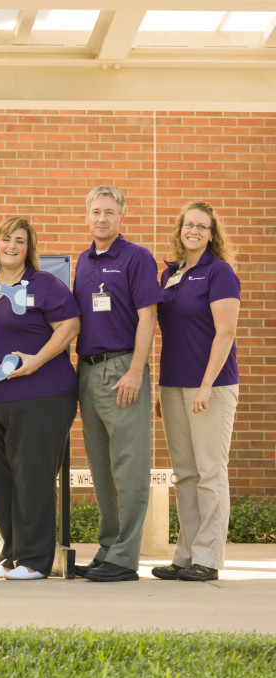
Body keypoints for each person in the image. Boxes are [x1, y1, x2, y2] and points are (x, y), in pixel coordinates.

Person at [0, 217, 80, 580]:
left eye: (20, 241)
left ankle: (34, 559)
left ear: (30, 248)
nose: (11, 246)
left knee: (33, 476)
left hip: (40, 396)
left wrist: (36, 361)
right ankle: (10, 553)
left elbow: (71, 326)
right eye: (6, 239)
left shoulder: (46, 285)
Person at [73, 186, 164, 582]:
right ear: (87, 216)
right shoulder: (82, 260)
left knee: (129, 466)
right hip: (87, 370)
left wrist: (136, 371)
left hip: (123, 368)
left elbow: (148, 318)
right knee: (102, 466)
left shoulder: (137, 258)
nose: (102, 219)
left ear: (121, 217)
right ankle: (109, 546)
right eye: (96, 211)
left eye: (109, 212)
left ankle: (126, 558)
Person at [153, 201, 240, 582]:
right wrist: (161, 386)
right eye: (189, 224)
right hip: (173, 385)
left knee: (209, 472)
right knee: (185, 474)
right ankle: (186, 555)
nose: (194, 231)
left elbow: (226, 333)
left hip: (211, 387)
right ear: (180, 229)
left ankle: (208, 558)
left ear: (211, 233)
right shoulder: (170, 274)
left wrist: (205, 385)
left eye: (202, 226)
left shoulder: (219, 272)